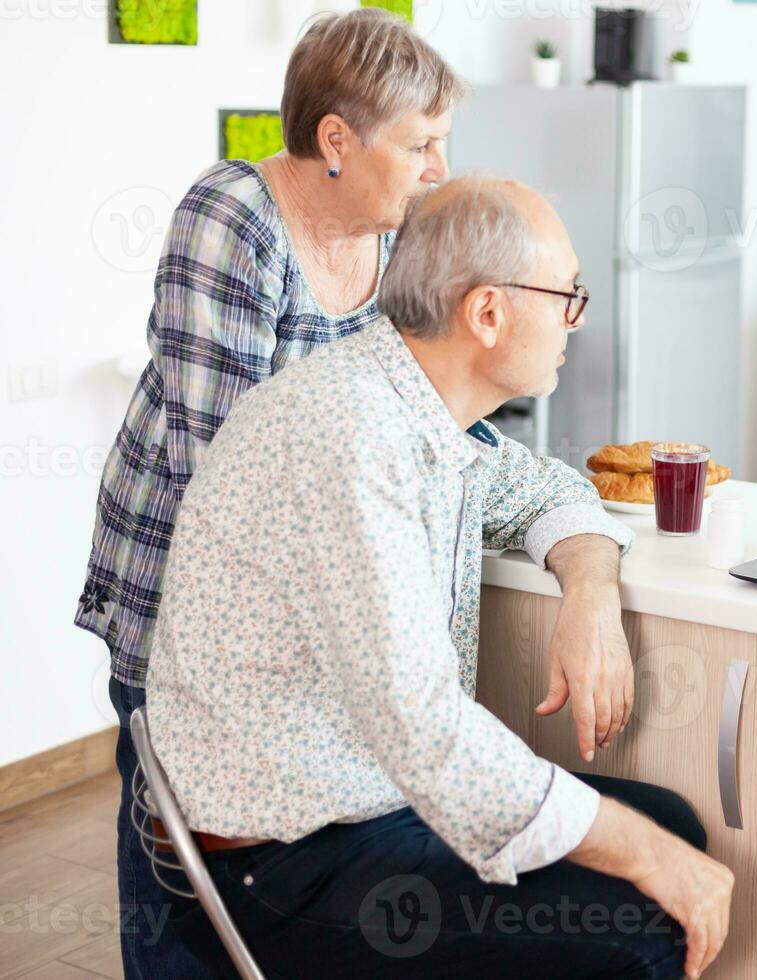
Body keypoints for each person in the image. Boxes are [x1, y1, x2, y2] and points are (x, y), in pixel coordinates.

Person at [145, 176, 734, 979]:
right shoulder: (351, 439)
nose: (577, 318)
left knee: (665, 822)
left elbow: (556, 491)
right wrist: (651, 859)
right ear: (487, 312)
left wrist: (590, 601)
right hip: (286, 863)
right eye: (568, 295)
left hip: (364, 803)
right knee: (641, 924)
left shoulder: (419, 411)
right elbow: (429, 737)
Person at [73, 11, 481, 977]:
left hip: (300, 611)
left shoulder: (393, 238)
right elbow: (232, 470)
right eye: (419, 144)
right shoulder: (231, 220)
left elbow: (425, 400)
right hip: (183, 597)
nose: (435, 169)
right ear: (336, 140)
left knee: (269, 874)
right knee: (182, 878)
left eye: (442, 144)